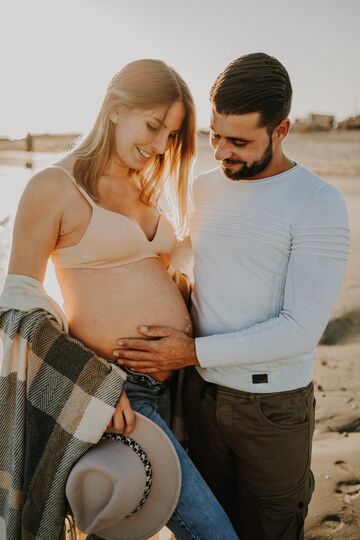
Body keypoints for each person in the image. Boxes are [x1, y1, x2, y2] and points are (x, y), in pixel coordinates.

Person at [112, 53, 350, 539]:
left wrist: (190, 351)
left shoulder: (317, 203)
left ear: (281, 130)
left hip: (272, 410)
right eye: (215, 135)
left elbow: (300, 329)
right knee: (206, 529)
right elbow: (178, 261)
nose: (221, 152)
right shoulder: (204, 188)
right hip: (197, 400)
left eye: (239, 142)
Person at [6, 59, 238, 539]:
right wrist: (93, 385)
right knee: (213, 533)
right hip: (119, 392)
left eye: (170, 135)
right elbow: (18, 304)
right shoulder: (53, 186)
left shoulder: (146, 186)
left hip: (177, 384)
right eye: (153, 126)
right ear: (114, 108)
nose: (158, 146)